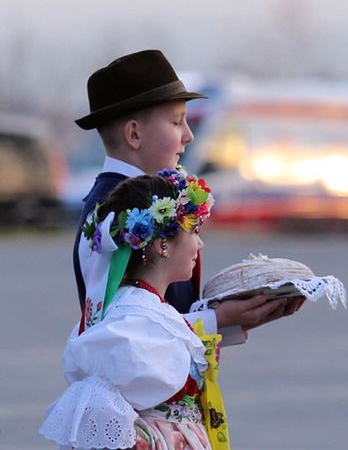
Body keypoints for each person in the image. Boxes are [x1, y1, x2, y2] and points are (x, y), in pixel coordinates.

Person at [72, 49, 303, 346]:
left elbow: (168, 309)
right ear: (134, 135)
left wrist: (240, 314)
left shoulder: (153, 197)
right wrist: (219, 319)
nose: (189, 135)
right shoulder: (108, 217)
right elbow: (121, 331)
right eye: (177, 121)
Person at [41, 170, 221, 449]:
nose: (200, 243)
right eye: (194, 231)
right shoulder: (135, 322)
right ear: (163, 245)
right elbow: (102, 405)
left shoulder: (144, 310)